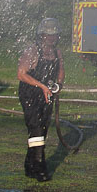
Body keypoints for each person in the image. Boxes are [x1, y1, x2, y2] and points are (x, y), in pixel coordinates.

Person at [18, 18, 65, 182]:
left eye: (54, 35)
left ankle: (29, 165)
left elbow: (61, 70)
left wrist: (58, 85)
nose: (51, 38)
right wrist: (42, 86)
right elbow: (21, 74)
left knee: (42, 128)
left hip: (46, 94)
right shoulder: (32, 51)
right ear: (41, 35)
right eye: (48, 35)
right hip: (30, 94)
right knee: (36, 127)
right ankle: (40, 166)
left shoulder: (57, 53)